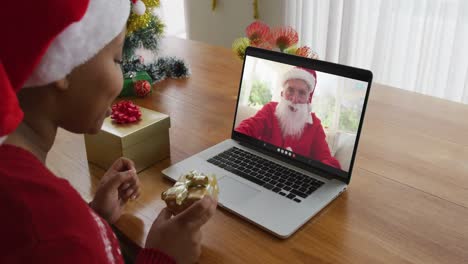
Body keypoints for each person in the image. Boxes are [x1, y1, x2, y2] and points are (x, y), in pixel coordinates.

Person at [0, 1, 217, 263]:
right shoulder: (57, 230)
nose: (122, 77)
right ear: (64, 63)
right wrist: (163, 257)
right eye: (117, 59)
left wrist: (94, 217)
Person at [236, 67, 341, 169]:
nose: (294, 99)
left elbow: (327, 161)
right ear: (282, 93)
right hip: (264, 168)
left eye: (302, 93)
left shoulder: (315, 125)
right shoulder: (270, 109)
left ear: (308, 99)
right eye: (290, 90)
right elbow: (246, 129)